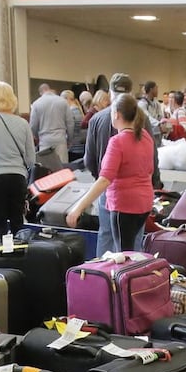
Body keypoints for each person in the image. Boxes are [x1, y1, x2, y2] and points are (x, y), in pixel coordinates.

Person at [66, 93, 154, 251]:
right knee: (133, 250)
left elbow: (104, 179)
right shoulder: (145, 137)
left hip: (124, 205)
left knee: (123, 254)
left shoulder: (117, 142)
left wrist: (78, 207)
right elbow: (150, 170)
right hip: (145, 202)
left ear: (117, 114)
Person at [84, 72, 137, 254]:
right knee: (132, 243)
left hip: (106, 189)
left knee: (106, 236)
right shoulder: (141, 121)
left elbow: (89, 159)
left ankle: (102, 279)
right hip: (135, 193)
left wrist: (99, 178)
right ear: (131, 93)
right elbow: (152, 159)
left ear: (109, 92)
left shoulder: (96, 119)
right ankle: (132, 280)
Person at [0, 81, 35, 236]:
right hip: (17, 178)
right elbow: (31, 159)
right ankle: (18, 258)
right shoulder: (23, 123)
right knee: (18, 224)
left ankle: (0, 257)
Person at [29, 83, 70, 168]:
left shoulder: (36, 104)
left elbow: (33, 126)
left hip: (45, 141)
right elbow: (70, 122)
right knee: (62, 170)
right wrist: (69, 139)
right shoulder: (63, 101)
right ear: (49, 89)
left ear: (41, 92)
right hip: (60, 140)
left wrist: (38, 137)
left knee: (46, 170)